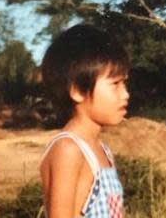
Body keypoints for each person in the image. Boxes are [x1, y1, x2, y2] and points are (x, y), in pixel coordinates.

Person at [39, 24, 130, 218]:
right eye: (115, 84)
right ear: (78, 91)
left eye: (125, 83)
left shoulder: (102, 150)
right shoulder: (68, 149)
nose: (125, 94)